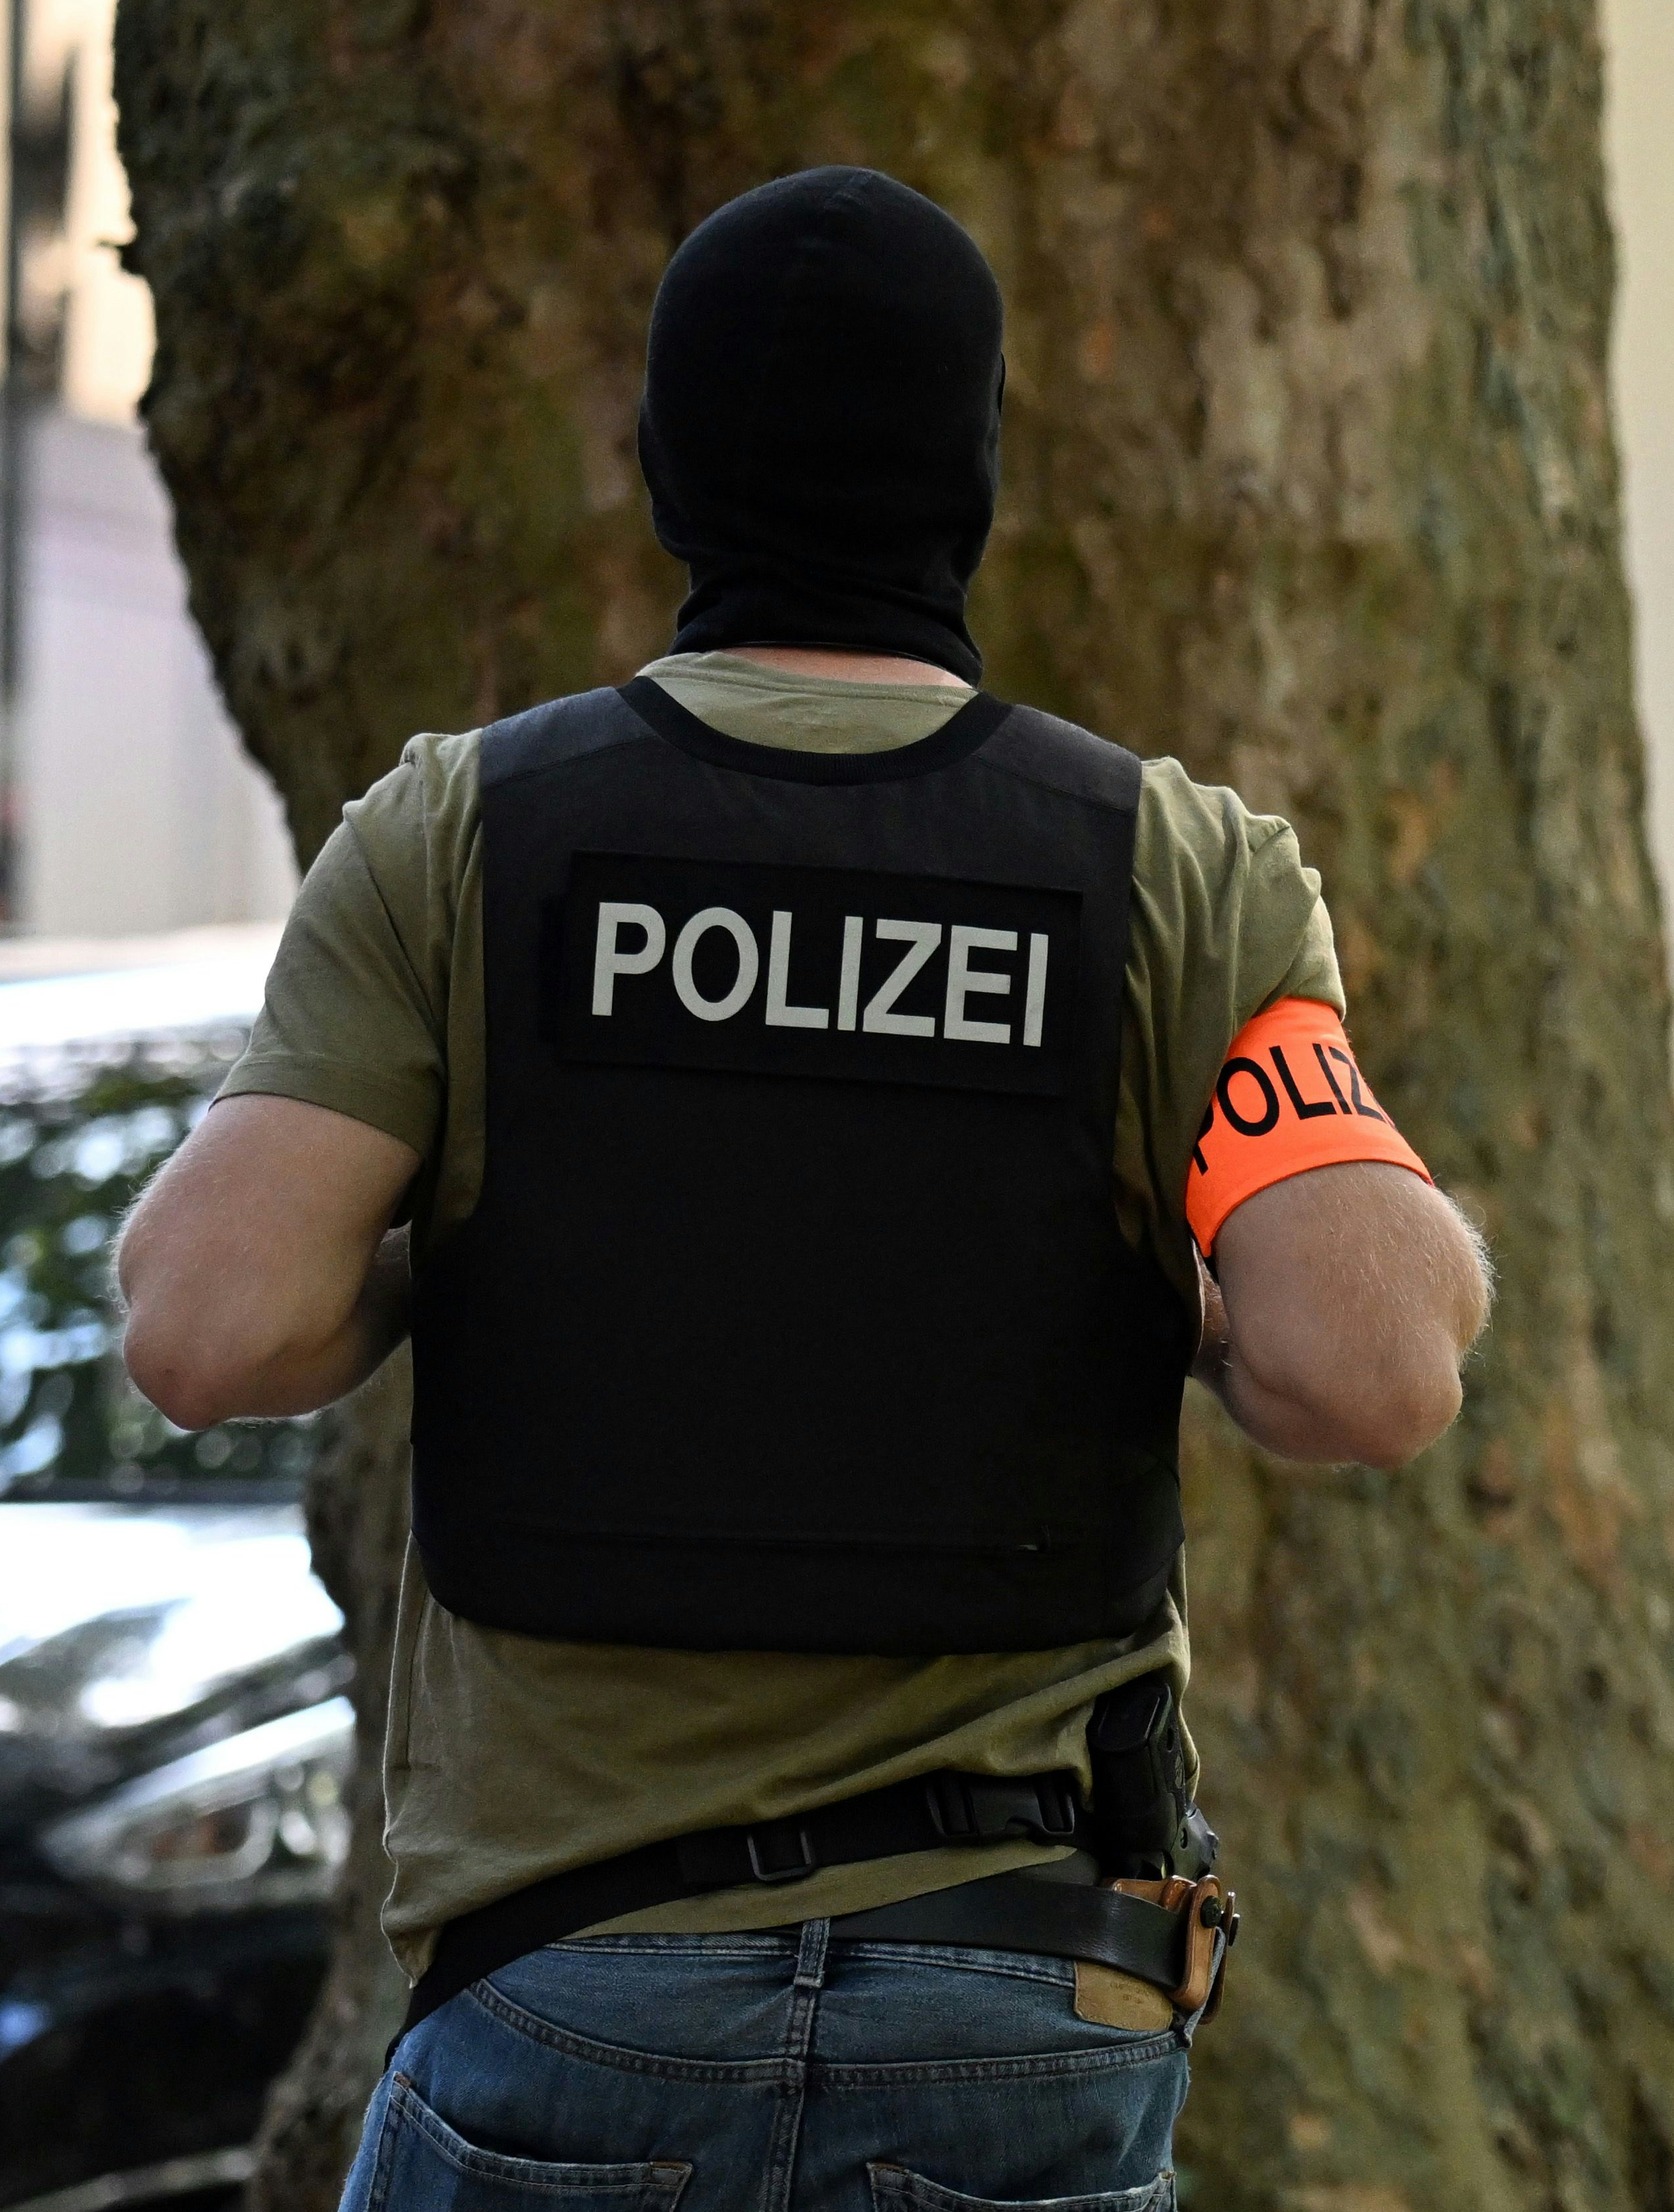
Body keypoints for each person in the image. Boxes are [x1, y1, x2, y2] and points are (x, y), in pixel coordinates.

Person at [117, 166, 1490, 2212]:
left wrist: (484, 1248)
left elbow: (209, 1326)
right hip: (1016, 2008)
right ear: (982, 472)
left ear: (665, 466)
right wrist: (1160, 1305)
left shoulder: (459, 840)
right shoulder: (1175, 873)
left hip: (568, 1995)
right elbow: (1372, 1368)